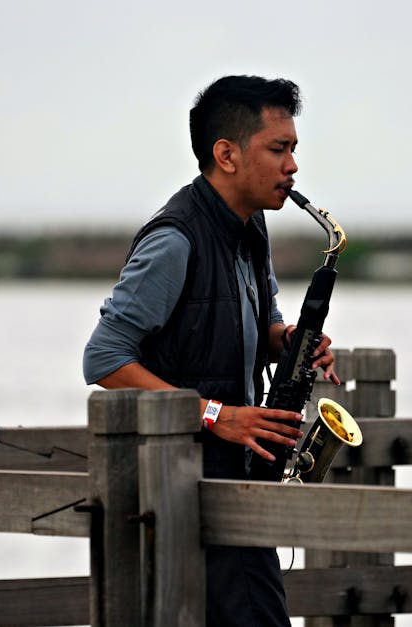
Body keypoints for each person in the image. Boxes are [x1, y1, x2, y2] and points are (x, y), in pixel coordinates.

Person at [83, 74, 338, 627]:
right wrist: (216, 415)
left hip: (232, 485)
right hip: (185, 493)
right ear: (226, 154)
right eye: (278, 149)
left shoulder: (252, 228)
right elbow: (103, 358)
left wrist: (292, 344)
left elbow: (262, 319)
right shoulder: (174, 241)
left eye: (294, 149)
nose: (293, 166)